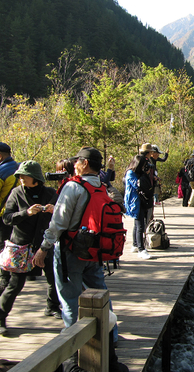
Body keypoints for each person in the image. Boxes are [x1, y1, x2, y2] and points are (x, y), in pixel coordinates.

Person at [32, 147, 128, 372]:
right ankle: (110, 334)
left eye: (77, 161)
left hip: (70, 251)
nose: (73, 164)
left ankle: (73, 350)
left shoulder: (73, 187)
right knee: (100, 291)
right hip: (94, 251)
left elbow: (59, 223)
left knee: (69, 301)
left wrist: (43, 248)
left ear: (84, 164)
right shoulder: (101, 186)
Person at [0, 161, 60, 335]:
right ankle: (1, 317)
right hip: (21, 245)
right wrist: (26, 213)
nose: (20, 179)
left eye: (23, 176)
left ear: (34, 178)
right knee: (15, 284)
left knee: (52, 277)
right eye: (19, 176)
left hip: (44, 244)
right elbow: (7, 218)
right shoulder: (16, 193)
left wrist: (53, 210)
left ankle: (52, 306)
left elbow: (62, 214)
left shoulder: (49, 193)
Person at [0, 143, 19, 296]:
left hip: (3, 215)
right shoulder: (19, 168)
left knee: (2, 247)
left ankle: (4, 279)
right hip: (19, 216)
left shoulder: (2, 171)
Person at [124, 155, 151, 260]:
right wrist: (145, 175)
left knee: (137, 224)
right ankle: (141, 249)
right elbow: (138, 185)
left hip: (140, 201)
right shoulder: (131, 173)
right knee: (140, 225)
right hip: (135, 202)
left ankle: (135, 244)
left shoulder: (137, 173)